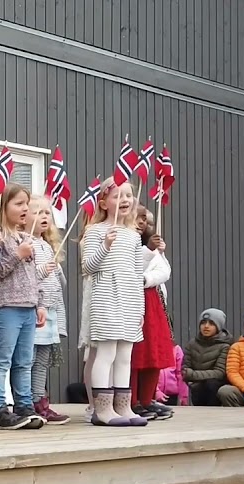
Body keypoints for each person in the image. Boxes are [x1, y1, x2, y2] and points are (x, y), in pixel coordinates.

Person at [0, 184, 45, 430]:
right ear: (2, 207)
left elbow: (33, 276)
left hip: (27, 306)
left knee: (24, 361)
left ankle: (24, 405)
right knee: (1, 360)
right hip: (5, 307)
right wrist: (17, 254)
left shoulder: (25, 237)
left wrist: (39, 303)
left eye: (26, 203)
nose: (25, 208)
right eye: (18, 204)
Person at [80, 180, 147, 427]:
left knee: (125, 356)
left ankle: (123, 406)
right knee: (106, 353)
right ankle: (102, 409)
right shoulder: (95, 231)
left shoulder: (134, 236)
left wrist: (140, 308)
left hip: (129, 299)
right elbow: (88, 267)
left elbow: (138, 274)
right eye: (118, 196)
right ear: (103, 203)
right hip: (106, 297)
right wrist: (105, 246)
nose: (125, 200)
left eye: (128, 195)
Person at [130, 207, 176, 420]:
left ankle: (147, 399)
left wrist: (148, 277)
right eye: (140, 219)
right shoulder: (127, 243)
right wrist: (148, 252)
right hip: (135, 300)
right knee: (135, 354)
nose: (144, 224)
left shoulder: (153, 248)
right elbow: (134, 270)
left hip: (154, 300)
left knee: (153, 352)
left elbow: (164, 271)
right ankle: (131, 401)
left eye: (147, 221)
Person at [27, 195, 70, 425]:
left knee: (42, 360)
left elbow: (58, 285)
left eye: (47, 213)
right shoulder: (27, 244)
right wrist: (44, 270)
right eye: (38, 212)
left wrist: (57, 271)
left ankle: (39, 399)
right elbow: (26, 278)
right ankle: (27, 400)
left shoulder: (47, 245)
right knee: (30, 358)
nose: (44, 216)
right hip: (35, 311)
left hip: (50, 311)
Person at [182, 308, 232, 406]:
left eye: (211, 323)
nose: (206, 326)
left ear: (218, 326)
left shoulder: (225, 346)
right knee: (197, 387)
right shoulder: (192, 344)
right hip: (196, 388)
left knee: (211, 383)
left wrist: (193, 375)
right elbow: (185, 368)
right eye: (203, 322)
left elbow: (219, 372)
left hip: (214, 389)